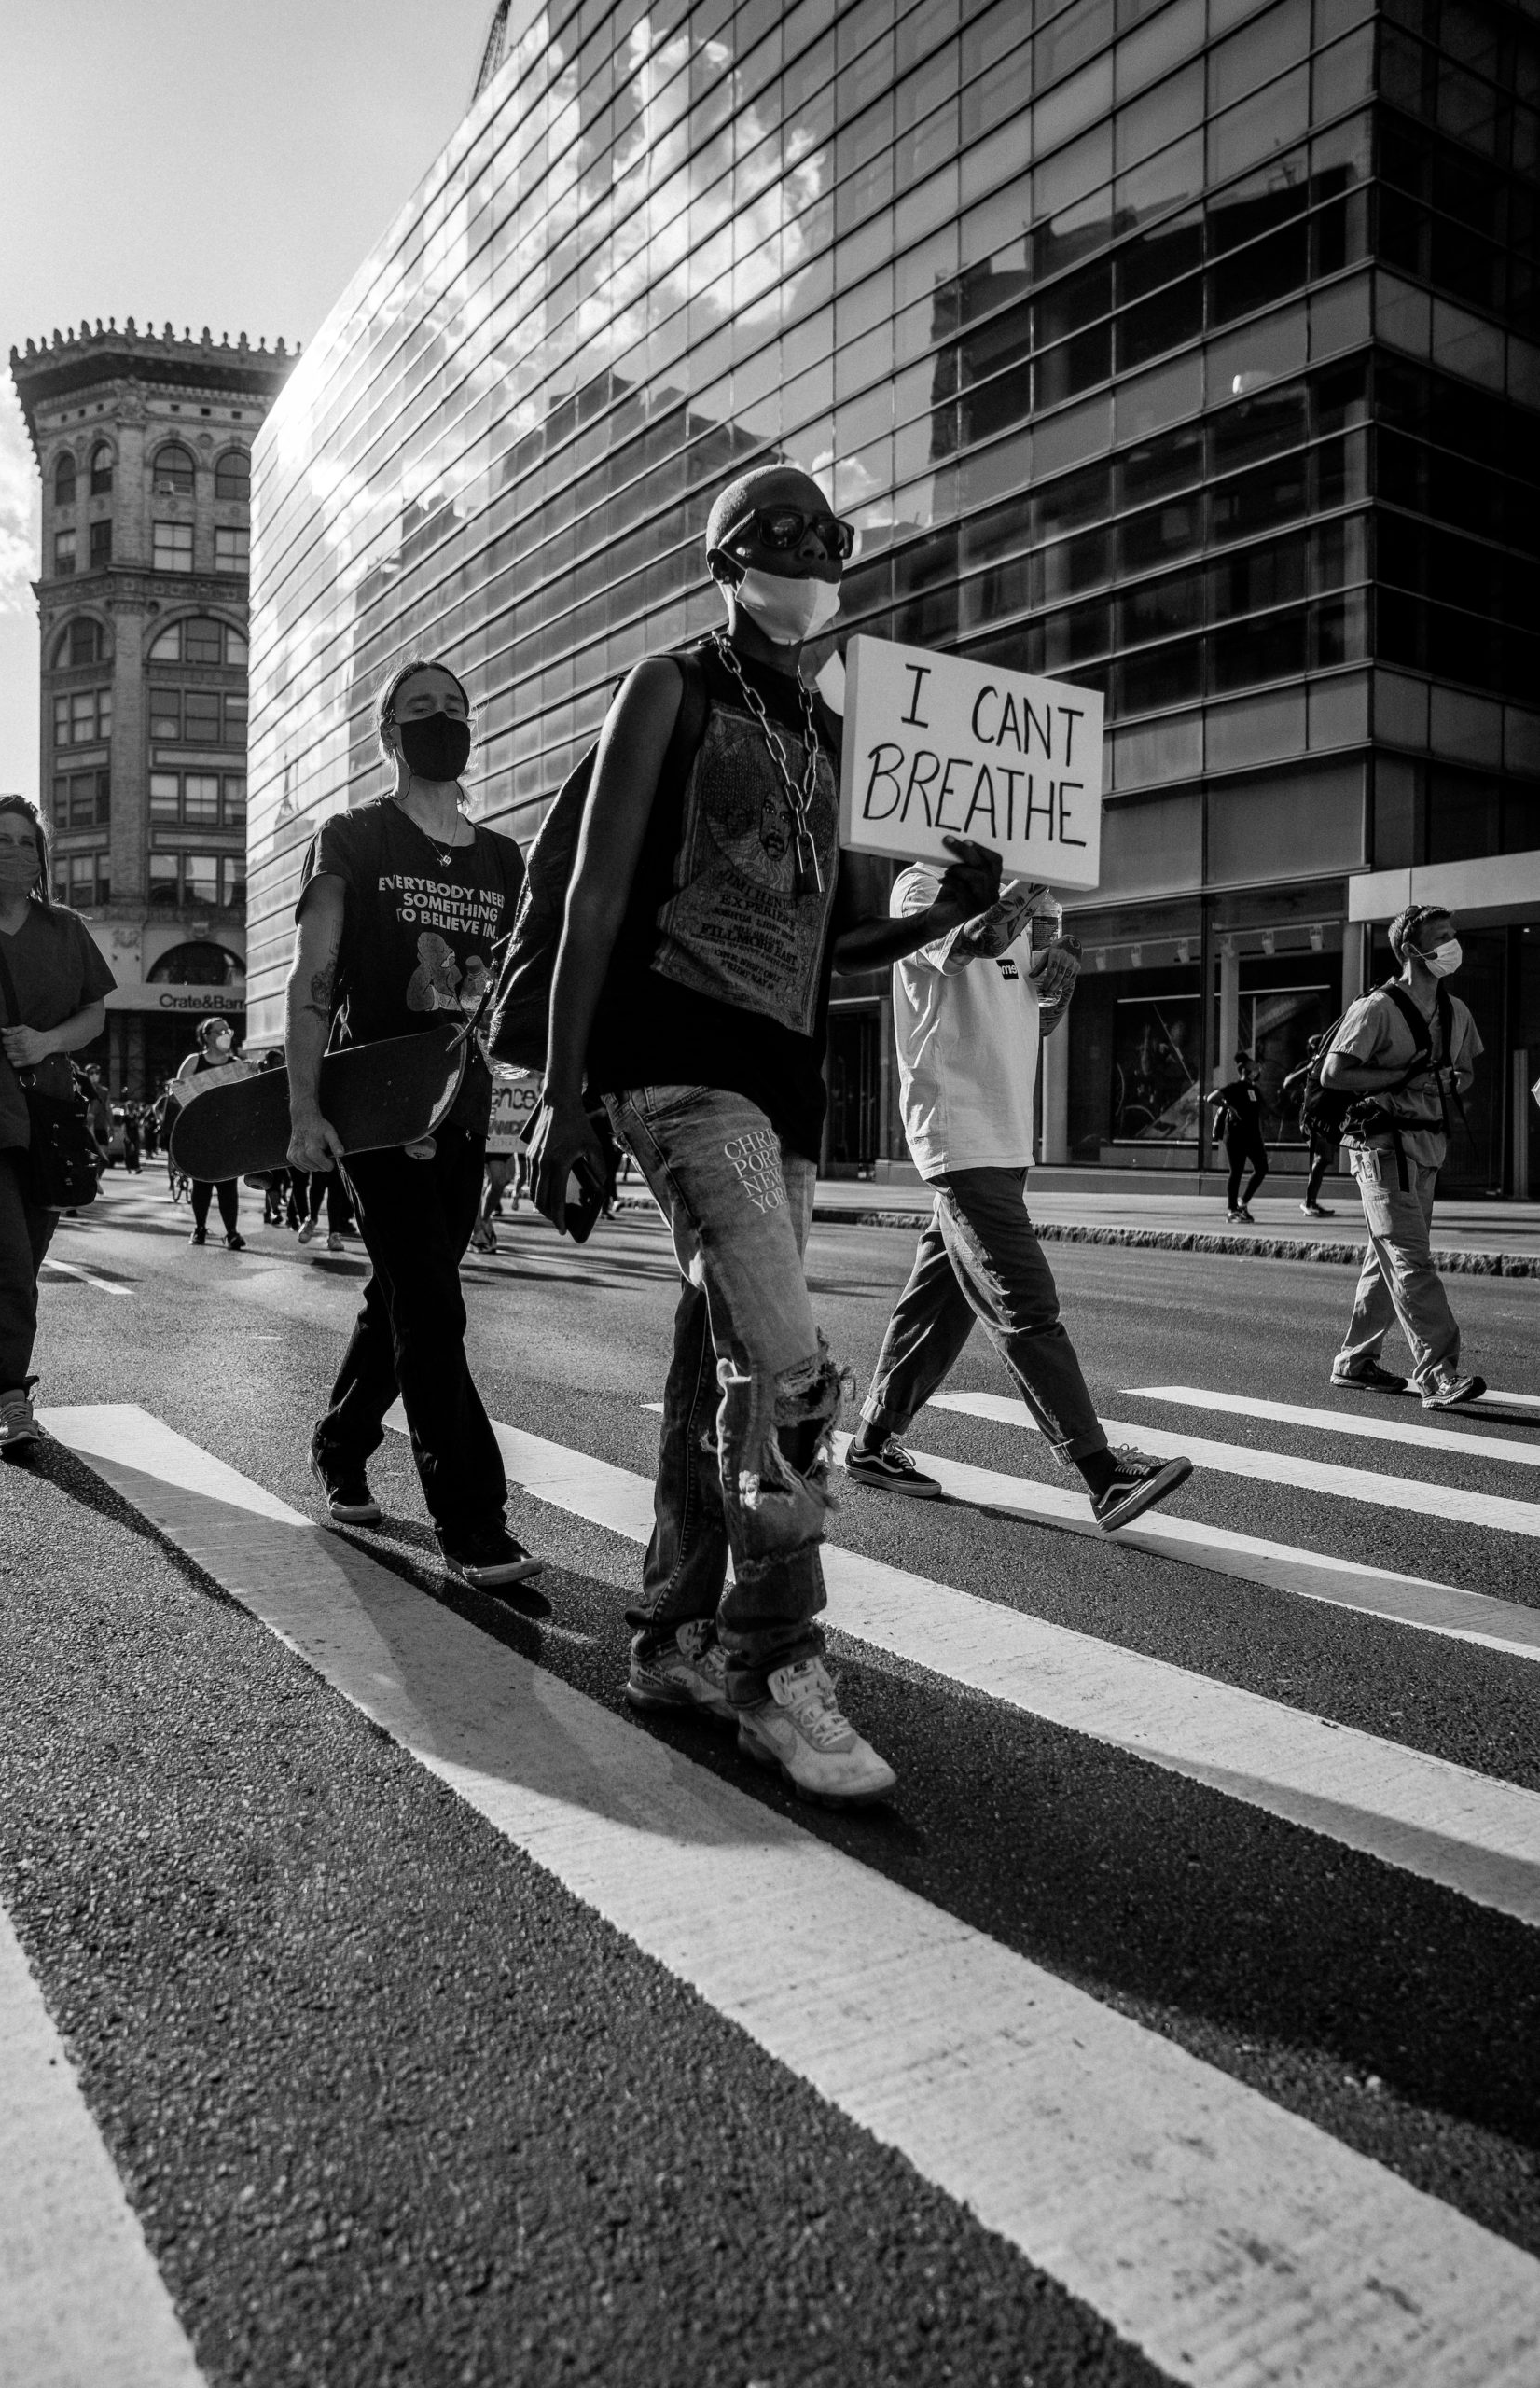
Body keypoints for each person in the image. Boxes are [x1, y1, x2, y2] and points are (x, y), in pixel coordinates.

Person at [533, 462, 1004, 1806]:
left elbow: (831, 936)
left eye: (826, 536)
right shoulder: (669, 688)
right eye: (777, 533)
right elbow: (597, 890)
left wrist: (934, 913)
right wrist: (563, 1097)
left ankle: (670, 1636)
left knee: (717, 1366)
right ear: (723, 560)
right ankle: (772, 1663)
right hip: (674, 1069)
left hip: (782, 1087)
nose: (807, 552)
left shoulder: (829, 736)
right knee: (791, 1367)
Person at [285, 655, 537, 1595]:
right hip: (372, 1114)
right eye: (422, 710)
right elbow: (313, 979)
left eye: (457, 709)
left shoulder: (501, 859)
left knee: (400, 1294)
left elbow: (518, 993)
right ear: (387, 734)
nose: (443, 722)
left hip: (461, 1110)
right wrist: (304, 1109)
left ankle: (341, 1442)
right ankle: (471, 1516)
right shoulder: (350, 837)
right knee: (432, 1305)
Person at [843, 884, 1193, 1528]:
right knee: (1024, 1299)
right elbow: (971, 943)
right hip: (957, 1127)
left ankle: (869, 1443)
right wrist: (1019, 892)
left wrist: (1063, 974)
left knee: (939, 1303)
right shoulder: (923, 886)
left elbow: (1040, 1016)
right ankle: (1101, 1474)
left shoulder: (1039, 904)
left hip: (1004, 1134)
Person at [0, 797, 114, 1450]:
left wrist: (46, 1043)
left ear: (42, 857)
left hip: (45, 1120)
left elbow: (94, 1014)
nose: (13, 852)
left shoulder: (64, 928)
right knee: (6, 1254)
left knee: (26, 1262)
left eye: (25, 842)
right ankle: (14, 1398)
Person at [1324, 903, 1485, 1409]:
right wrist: (1399, 1079)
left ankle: (1355, 1362)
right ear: (1412, 949)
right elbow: (1334, 1074)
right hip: (1382, 1148)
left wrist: (1452, 1081)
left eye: (1453, 935)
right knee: (1411, 1258)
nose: (1452, 945)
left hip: (1428, 1146)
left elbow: (1465, 1072)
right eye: (1442, 937)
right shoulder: (1376, 1008)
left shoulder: (1458, 1012)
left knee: (1386, 1257)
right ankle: (1438, 1375)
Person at [171, 1018, 252, 1248]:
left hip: (227, 1134)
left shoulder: (236, 1063)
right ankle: (199, 1228)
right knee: (202, 1183)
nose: (226, 1034)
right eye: (220, 1031)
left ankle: (232, 1232)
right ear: (207, 1036)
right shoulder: (194, 1061)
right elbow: (178, 1092)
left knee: (228, 1185)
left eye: (228, 1030)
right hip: (200, 1134)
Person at [1282, 1033, 1336, 1218]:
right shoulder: (1309, 1065)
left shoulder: (1327, 1063)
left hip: (1323, 1118)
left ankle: (1311, 1201)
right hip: (1310, 1118)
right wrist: (1308, 1067)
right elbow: (1287, 1083)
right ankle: (1308, 1201)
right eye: (1317, 1044)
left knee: (1325, 1158)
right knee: (1321, 1157)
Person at [1210, 1051, 1267, 1223]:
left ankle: (1242, 1203)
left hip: (1253, 1137)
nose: (1257, 1069)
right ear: (1244, 1069)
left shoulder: (1255, 1090)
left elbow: (1260, 1114)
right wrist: (1229, 1107)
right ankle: (1231, 1209)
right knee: (1236, 1171)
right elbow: (1213, 1097)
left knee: (1262, 1168)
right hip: (1235, 1136)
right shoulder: (1235, 1088)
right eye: (1253, 1067)